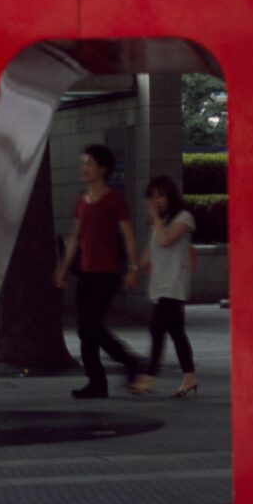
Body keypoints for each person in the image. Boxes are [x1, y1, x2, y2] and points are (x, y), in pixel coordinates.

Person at [54, 143, 146, 399]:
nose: (84, 168)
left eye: (89, 164)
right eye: (83, 163)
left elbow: (128, 235)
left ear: (103, 169)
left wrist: (133, 268)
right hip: (85, 273)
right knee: (85, 330)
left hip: (107, 274)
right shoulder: (80, 200)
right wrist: (62, 270)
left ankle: (129, 362)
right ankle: (97, 382)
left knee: (92, 326)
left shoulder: (114, 199)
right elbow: (74, 238)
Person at [139, 176, 200, 400]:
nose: (157, 201)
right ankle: (190, 376)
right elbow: (150, 251)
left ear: (171, 196)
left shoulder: (184, 218)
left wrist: (155, 219)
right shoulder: (157, 223)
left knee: (157, 328)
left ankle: (148, 377)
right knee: (176, 332)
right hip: (160, 284)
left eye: (161, 196)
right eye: (153, 196)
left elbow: (166, 240)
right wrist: (135, 268)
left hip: (174, 284)